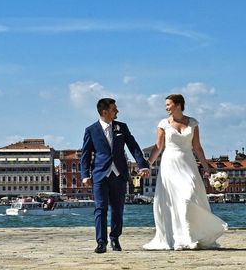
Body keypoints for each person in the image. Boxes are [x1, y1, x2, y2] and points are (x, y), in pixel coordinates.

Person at [143, 94, 227, 250]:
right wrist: (147, 165)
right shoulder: (163, 123)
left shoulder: (193, 123)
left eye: (168, 104)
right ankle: (182, 237)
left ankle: (192, 234)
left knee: (189, 194)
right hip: (170, 165)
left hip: (188, 163)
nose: (166, 107)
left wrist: (206, 167)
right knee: (177, 199)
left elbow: (197, 147)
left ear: (178, 105)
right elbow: (158, 147)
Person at [81, 98, 150, 254]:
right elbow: (85, 154)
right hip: (99, 175)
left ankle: (115, 239)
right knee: (100, 208)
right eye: (114, 109)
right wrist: (85, 174)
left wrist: (142, 165)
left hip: (119, 175)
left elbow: (134, 147)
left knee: (118, 209)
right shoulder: (91, 130)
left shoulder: (122, 127)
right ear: (105, 112)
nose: (117, 112)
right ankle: (101, 242)